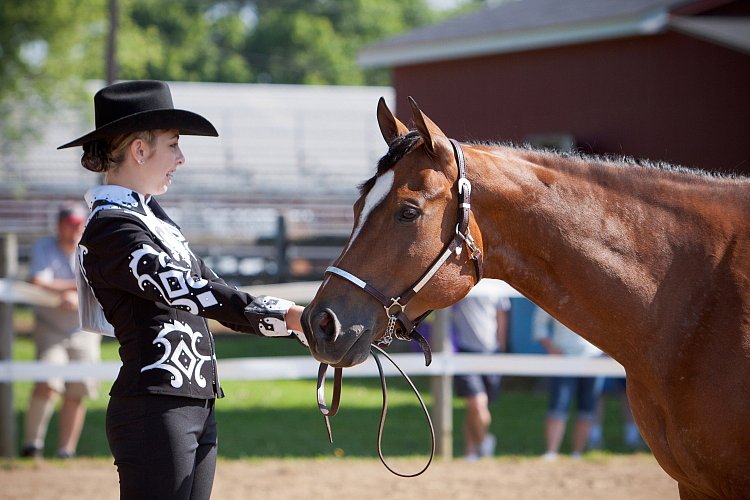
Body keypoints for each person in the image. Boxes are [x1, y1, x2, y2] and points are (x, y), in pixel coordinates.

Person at [57, 80, 308, 499]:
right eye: (173, 145)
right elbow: (185, 290)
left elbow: (213, 290)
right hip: (155, 408)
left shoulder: (153, 223)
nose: (182, 158)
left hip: (190, 404)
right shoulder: (112, 229)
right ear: (139, 150)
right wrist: (287, 315)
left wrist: (296, 323)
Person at [21, 202, 102, 459]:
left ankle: (66, 451)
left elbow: (102, 285)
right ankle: (32, 446)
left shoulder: (93, 249)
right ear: (59, 225)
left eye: (79, 225)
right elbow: (38, 281)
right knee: (47, 383)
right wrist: (76, 289)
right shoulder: (44, 247)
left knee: (78, 390)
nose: (75, 230)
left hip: (85, 329)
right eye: (70, 224)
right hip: (51, 328)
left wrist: (73, 294)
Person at [532, 306, 603, 460]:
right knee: (558, 406)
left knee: (587, 408)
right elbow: (539, 326)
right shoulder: (555, 292)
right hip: (563, 359)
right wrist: (553, 350)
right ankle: (551, 452)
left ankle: (577, 453)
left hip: (593, 359)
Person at [451, 279, 510, 461]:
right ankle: (484, 442)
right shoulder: (462, 284)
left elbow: (501, 316)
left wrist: (501, 347)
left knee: (475, 407)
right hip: (466, 351)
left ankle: (471, 451)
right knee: (477, 403)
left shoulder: (497, 287)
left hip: (491, 352)